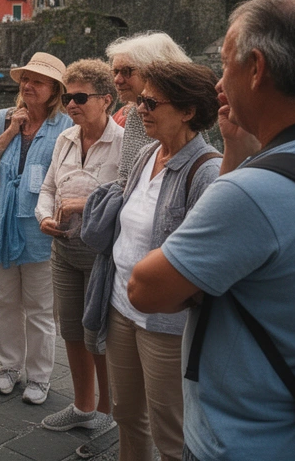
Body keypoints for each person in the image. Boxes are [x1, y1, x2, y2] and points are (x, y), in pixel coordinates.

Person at [128, 0, 295, 460]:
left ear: (257, 68)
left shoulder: (253, 191)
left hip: (247, 439)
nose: (219, 83)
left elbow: (147, 289)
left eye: (226, 65)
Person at [78, 62, 221, 461]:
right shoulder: (146, 153)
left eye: (151, 102)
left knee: (170, 428)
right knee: (126, 414)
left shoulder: (207, 172)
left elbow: (203, 262)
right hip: (120, 305)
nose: (140, 108)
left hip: (166, 324)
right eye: (141, 100)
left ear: (188, 110)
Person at [0, 52, 73, 405]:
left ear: (54, 90)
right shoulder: (4, 117)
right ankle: (8, 367)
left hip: (38, 228)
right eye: (26, 80)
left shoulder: (65, 127)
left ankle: (39, 376)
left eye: (38, 81)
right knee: (4, 302)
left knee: (40, 307)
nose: (28, 86)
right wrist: (12, 130)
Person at [34, 59, 122, 444]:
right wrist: (43, 217)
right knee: (70, 328)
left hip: (102, 253)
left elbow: (127, 198)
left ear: (106, 100)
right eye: (68, 96)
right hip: (63, 249)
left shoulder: (124, 144)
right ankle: (83, 405)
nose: (71, 104)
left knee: (97, 332)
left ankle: (109, 410)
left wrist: (83, 207)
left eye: (80, 97)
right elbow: (49, 189)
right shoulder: (64, 139)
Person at [104, 33, 191, 182]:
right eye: (115, 72)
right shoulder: (134, 114)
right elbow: (125, 179)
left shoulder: (183, 116)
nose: (117, 80)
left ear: (154, 72)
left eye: (126, 71)